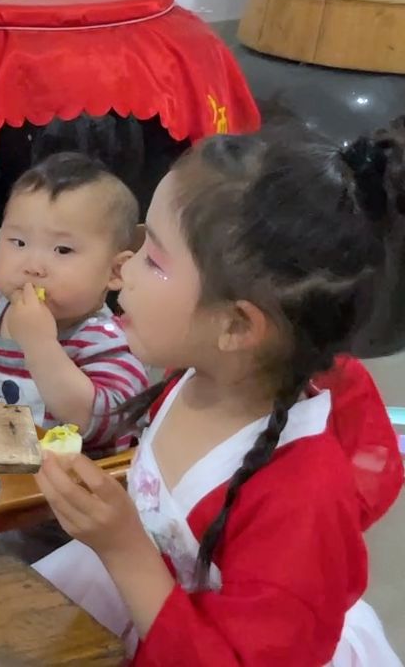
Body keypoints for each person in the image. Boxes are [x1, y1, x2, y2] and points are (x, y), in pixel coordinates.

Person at [33, 121, 405, 665]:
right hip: (147, 607)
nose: (121, 269)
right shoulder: (198, 373)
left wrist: (124, 546)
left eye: (153, 259)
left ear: (235, 326)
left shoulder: (301, 501)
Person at [0, 152, 148, 454]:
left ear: (116, 271)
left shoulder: (108, 343)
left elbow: (102, 420)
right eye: (19, 243)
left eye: (62, 250)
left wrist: (40, 346)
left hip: (56, 491)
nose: (34, 266)